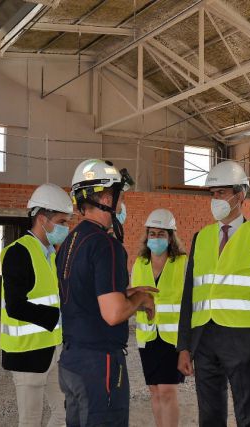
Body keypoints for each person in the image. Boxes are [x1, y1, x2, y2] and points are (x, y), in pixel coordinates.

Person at [176, 160, 250, 427]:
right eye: (213, 194)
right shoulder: (201, 238)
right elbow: (189, 296)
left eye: (222, 193)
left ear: (240, 195)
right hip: (204, 340)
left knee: (248, 414)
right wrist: (184, 347)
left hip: (245, 342)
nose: (216, 200)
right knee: (209, 415)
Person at [56, 159, 156, 427]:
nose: (121, 207)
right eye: (120, 200)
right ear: (106, 198)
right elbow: (113, 314)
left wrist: (127, 291)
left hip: (71, 361)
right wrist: (141, 299)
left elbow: (87, 292)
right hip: (98, 365)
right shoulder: (106, 245)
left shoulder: (70, 242)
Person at [0, 183, 73, 427]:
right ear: (42, 219)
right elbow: (15, 306)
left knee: (64, 413)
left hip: (52, 350)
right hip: (26, 354)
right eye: (62, 222)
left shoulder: (50, 254)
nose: (66, 228)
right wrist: (57, 317)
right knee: (30, 421)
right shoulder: (18, 252)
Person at [132, 209, 187, 427]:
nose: (155, 238)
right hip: (147, 337)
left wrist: (188, 343)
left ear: (170, 236)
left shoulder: (182, 263)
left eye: (161, 234)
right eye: (152, 234)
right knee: (154, 391)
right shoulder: (140, 264)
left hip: (172, 339)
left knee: (167, 391)